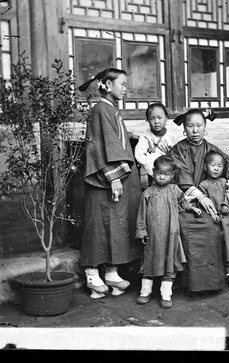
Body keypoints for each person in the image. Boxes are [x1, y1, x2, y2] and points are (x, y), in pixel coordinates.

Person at [79, 68, 143, 299]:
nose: (126, 88)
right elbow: (98, 145)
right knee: (99, 225)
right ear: (108, 84)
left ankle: (112, 272)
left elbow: (113, 140)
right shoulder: (100, 110)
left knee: (115, 224)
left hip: (117, 181)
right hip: (107, 180)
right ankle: (92, 273)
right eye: (122, 84)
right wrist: (113, 176)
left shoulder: (110, 110)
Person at [170, 108, 229, 294]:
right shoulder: (178, 150)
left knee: (224, 223)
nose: (195, 130)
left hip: (212, 202)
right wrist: (200, 197)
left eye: (199, 126)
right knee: (196, 228)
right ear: (184, 129)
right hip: (186, 201)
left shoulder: (212, 149)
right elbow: (182, 176)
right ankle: (191, 282)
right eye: (190, 126)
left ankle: (225, 275)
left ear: (205, 128)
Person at [135, 155, 202, 308]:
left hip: (171, 236)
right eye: (159, 173)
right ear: (153, 172)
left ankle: (166, 295)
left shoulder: (175, 190)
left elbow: (183, 202)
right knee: (149, 263)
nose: (162, 177)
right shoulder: (148, 193)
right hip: (153, 237)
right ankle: (145, 292)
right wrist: (142, 232)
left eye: (166, 174)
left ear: (172, 175)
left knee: (170, 264)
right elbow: (141, 215)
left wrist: (191, 207)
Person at [199, 150, 229, 292]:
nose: (216, 169)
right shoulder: (204, 185)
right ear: (205, 167)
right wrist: (213, 213)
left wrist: (227, 204)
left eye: (220, 166)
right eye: (213, 165)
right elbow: (205, 203)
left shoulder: (225, 182)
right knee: (227, 248)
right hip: (221, 221)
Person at [134, 102, 181, 187]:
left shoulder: (172, 136)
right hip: (154, 175)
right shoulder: (145, 137)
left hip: (171, 173)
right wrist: (154, 158)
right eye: (152, 118)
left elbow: (179, 155)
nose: (156, 122)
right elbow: (140, 156)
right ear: (147, 120)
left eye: (160, 118)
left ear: (166, 118)